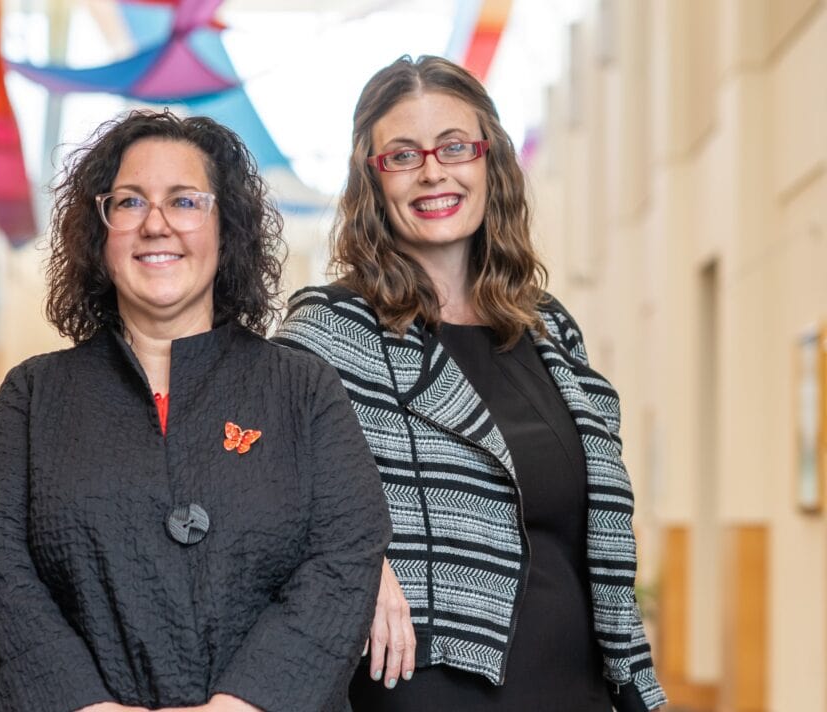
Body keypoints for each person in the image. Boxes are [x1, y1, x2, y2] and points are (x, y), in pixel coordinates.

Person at [0, 109, 391, 712]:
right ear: (100, 232)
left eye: (185, 202)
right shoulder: (32, 396)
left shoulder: (303, 389)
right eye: (129, 203)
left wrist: (243, 705)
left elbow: (345, 553)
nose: (155, 225)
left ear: (226, 228)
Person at [274, 55, 667, 711]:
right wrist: (355, 562)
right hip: (423, 691)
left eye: (454, 146)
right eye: (402, 155)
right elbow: (258, 492)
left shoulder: (547, 328)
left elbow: (591, 533)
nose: (433, 171)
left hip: (578, 687)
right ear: (372, 180)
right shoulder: (330, 331)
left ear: (489, 161)